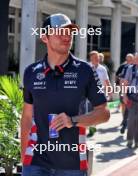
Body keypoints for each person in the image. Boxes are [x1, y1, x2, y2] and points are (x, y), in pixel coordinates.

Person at [20, 13, 110, 176]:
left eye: (69, 32)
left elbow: (104, 113)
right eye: (60, 32)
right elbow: (27, 117)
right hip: (36, 164)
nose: (67, 37)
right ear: (45, 37)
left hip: (72, 166)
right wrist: (24, 160)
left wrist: (73, 121)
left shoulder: (85, 70)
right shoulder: (31, 72)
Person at [115, 53, 134, 134]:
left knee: (131, 106)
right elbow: (117, 75)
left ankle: (130, 121)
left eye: (130, 59)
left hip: (133, 90)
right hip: (123, 89)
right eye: (127, 59)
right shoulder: (123, 66)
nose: (128, 60)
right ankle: (124, 120)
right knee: (123, 105)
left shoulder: (136, 67)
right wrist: (117, 84)